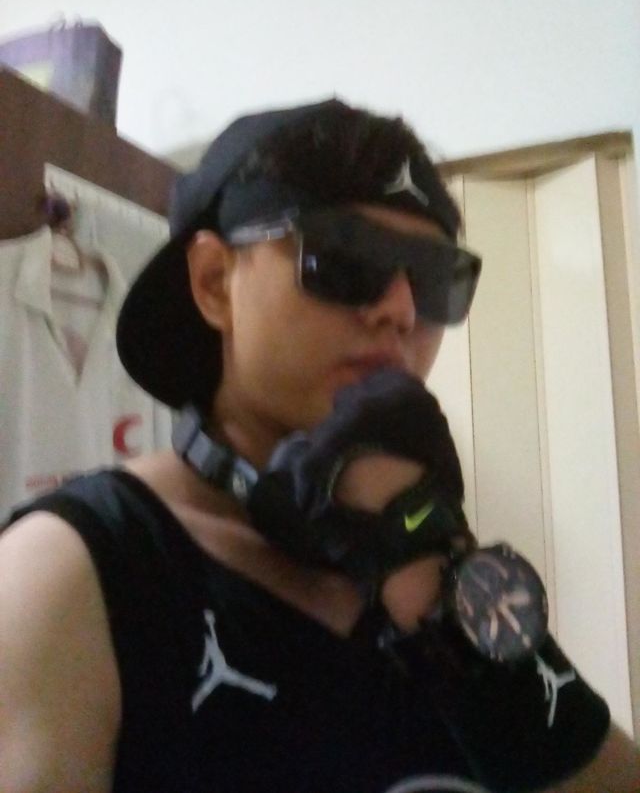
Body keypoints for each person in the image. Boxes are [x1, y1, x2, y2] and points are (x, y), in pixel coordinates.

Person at [1, 98, 638, 793]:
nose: (400, 310)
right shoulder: (72, 573)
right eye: (344, 259)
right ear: (214, 282)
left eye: (433, 280)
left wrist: (439, 576)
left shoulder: (417, 548)